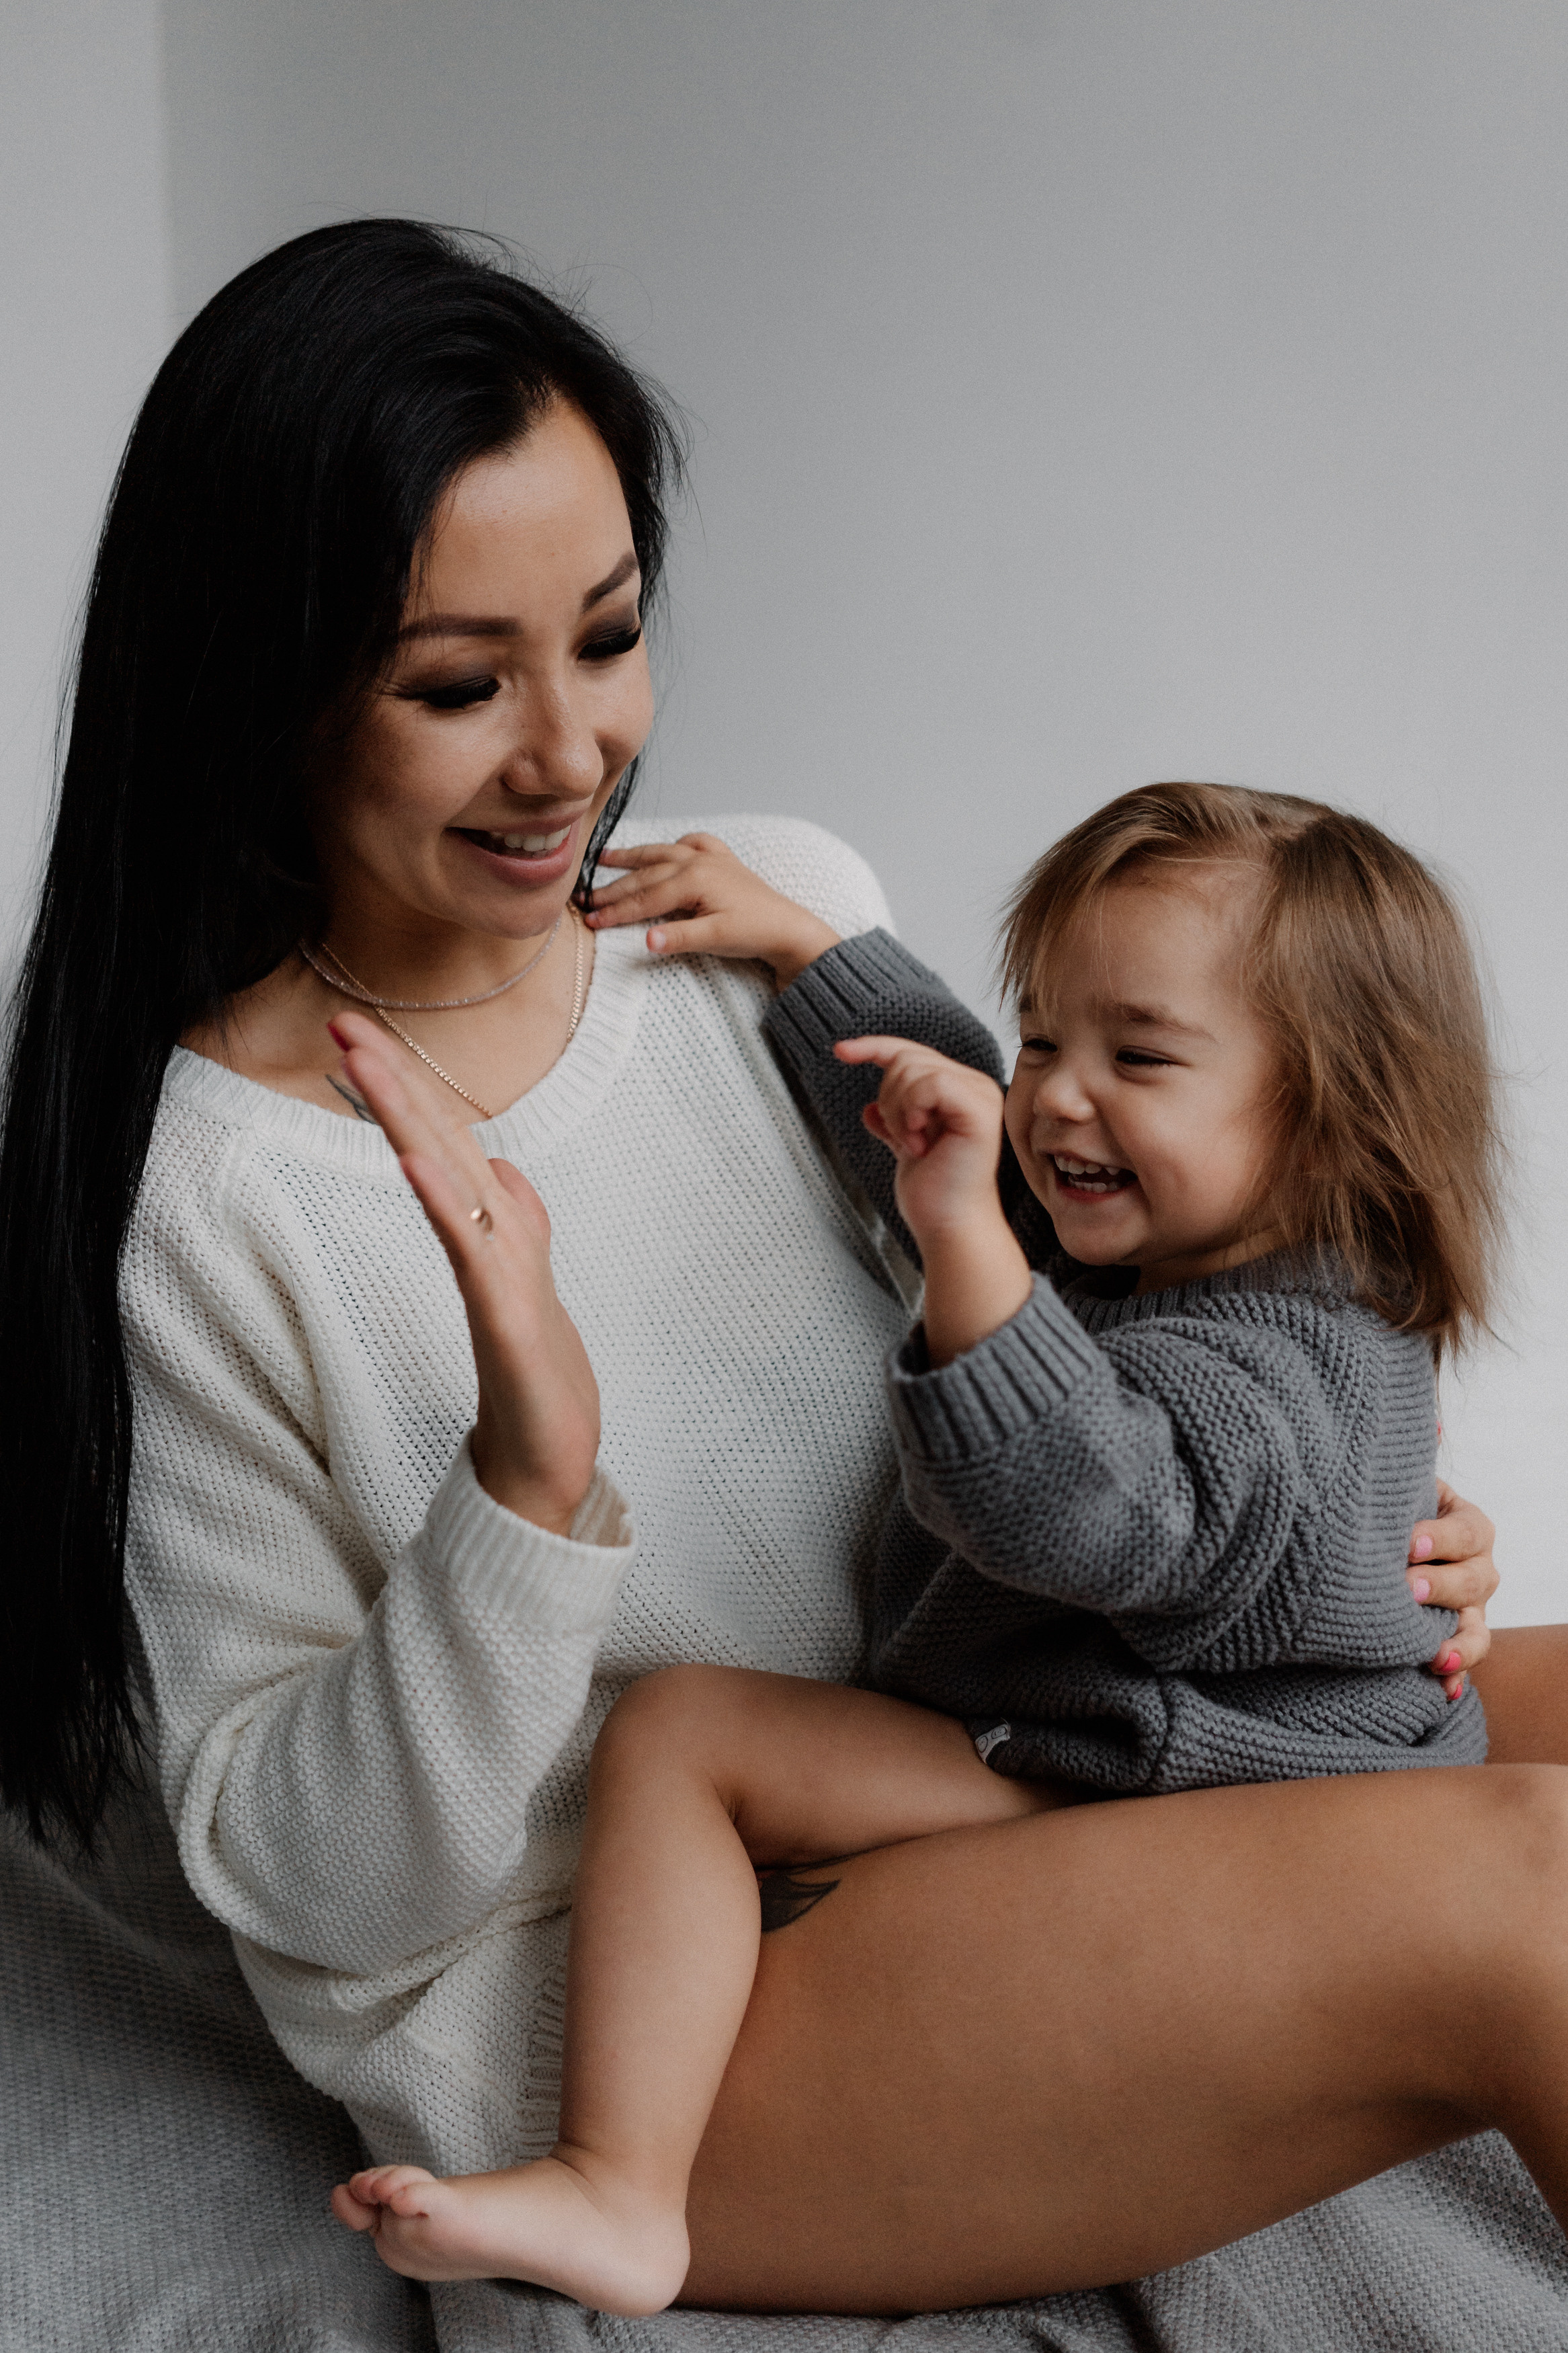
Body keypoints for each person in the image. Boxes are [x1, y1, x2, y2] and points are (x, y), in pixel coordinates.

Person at [0, 216, 1557, 2334]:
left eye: (610, 635)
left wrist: (1357, 1532)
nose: (571, 753)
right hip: (658, 1994)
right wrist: (523, 1483)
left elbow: (1069, 1290)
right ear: (261, 691)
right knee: (1526, 1899)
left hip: (981, 1743)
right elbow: (307, 1895)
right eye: (460, 683)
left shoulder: (766, 916)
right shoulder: (212, 1192)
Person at [329, 784, 1547, 2314]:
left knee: (688, 1734)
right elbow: (948, 1106)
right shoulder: (1173, 1236)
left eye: (1139, 1057)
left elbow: (1080, 1504)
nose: (1054, 1097)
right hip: (1110, 1734)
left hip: (1177, 1784)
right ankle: (619, 2189)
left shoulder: (1277, 1376)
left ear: (1335, 1119)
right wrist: (812, 953)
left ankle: (624, 2175)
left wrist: (965, 1235)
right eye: (1049, 1033)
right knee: (692, 1732)